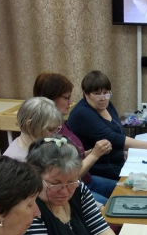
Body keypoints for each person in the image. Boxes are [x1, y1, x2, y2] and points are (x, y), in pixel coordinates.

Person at [22, 139, 131, 235]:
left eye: (71, 182)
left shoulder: (78, 190)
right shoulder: (32, 209)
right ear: (35, 177)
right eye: (55, 184)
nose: (65, 191)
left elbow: (102, 233)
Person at [66, 70, 147, 180]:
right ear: (86, 94)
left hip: (115, 161)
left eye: (106, 92)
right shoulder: (82, 113)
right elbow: (110, 137)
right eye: (97, 93)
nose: (103, 98)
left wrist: (123, 151)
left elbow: (119, 131)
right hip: (98, 169)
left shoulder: (106, 104)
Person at [33, 72, 117, 203]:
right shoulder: (49, 132)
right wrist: (95, 154)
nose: (71, 102)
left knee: (124, 190)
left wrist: (93, 151)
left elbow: (74, 156)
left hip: (87, 180)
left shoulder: (61, 123)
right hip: (74, 187)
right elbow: (66, 176)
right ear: (50, 99)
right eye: (66, 98)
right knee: (112, 206)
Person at [2, 96, 63, 162]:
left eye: (57, 129)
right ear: (30, 126)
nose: (55, 135)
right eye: (50, 130)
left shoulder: (39, 147)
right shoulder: (15, 160)